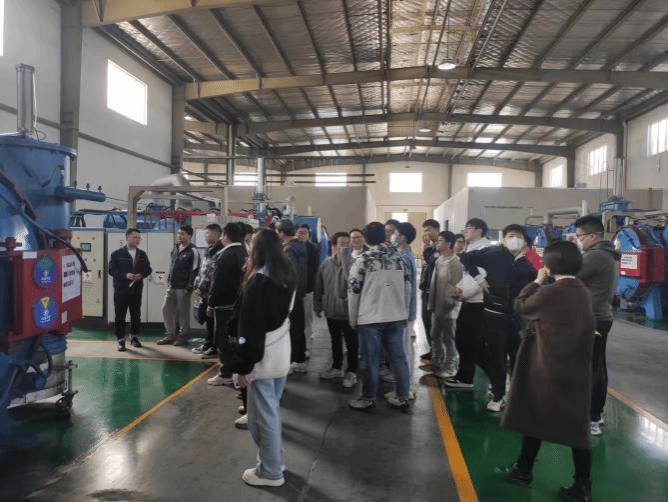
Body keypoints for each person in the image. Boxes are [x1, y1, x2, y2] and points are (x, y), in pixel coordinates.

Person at [499, 240, 596, 502]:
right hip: (576, 370)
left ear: (549, 266)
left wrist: (536, 282)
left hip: (547, 368)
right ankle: (582, 486)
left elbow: (521, 306)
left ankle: (523, 471)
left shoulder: (551, 292)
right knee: (577, 429)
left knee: (534, 415)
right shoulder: (583, 292)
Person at [231, 228, 297, 487]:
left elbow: (251, 327)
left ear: (257, 249)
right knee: (271, 412)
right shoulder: (287, 275)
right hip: (281, 351)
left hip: (261, 356)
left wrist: (243, 365)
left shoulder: (258, 281)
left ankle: (270, 472)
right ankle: (274, 461)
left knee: (261, 418)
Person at [459, 224, 537, 411]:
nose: (514, 239)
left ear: (524, 241)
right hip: (494, 315)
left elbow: (539, 280)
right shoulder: (493, 254)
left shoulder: (529, 261)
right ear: (503, 239)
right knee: (497, 357)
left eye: (518, 236)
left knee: (518, 357)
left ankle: (518, 395)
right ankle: (498, 394)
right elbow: (465, 257)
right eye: (510, 236)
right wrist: (479, 279)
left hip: (518, 318)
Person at [347, 222, 411, 410]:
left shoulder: (362, 260)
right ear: (384, 236)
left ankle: (368, 398)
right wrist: (404, 312)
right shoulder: (399, 258)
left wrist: (353, 319)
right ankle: (402, 396)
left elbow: (353, 291)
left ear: (365, 239)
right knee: (398, 358)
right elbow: (407, 287)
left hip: (370, 318)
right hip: (396, 316)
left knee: (370, 361)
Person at [574, 215, 620, 436]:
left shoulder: (595, 256)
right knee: (596, 366)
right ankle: (595, 414)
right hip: (600, 317)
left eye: (580, 236)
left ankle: (591, 417)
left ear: (592, 236)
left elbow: (567, 276)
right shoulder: (605, 255)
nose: (578, 240)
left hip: (592, 319)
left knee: (592, 368)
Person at [314, 232, 358, 388]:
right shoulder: (325, 264)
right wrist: (318, 305)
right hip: (331, 311)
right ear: (334, 246)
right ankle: (337, 368)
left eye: (348, 244)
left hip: (349, 312)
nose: (346, 247)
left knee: (352, 343)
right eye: (342, 244)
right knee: (335, 340)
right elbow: (318, 287)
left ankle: (352, 372)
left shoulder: (355, 264)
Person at [207, 222, 248, 385]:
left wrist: (211, 303)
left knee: (222, 340)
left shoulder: (225, 255)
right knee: (234, 339)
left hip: (224, 304)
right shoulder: (244, 251)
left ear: (226, 237)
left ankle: (225, 373)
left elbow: (218, 283)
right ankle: (235, 372)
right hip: (239, 303)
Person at [386, 222, 418, 400]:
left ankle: (406, 390)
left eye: (394, 233)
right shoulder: (402, 254)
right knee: (403, 350)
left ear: (402, 237)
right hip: (403, 311)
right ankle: (404, 387)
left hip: (403, 312)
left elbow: (406, 288)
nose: (391, 236)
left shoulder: (404, 257)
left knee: (404, 351)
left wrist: (403, 314)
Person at [425, 231, 463, 378]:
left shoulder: (455, 263)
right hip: (437, 306)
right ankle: (436, 363)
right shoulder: (440, 260)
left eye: (440, 240)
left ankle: (450, 366)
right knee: (434, 335)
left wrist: (449, 305)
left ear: (448, 244)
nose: (437, 243)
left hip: (449, 308)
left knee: (449, 339)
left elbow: (456, 287)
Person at [108, 228, 152, 352]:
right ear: (127, 238)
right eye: (134, 237)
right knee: (120, 315)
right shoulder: (117, 254)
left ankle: (134, 337)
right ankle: (120, 340)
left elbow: (148, 269)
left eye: (138, 238)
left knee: (136, 314)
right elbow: (111, 270)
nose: (137, 240)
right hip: (121, 289)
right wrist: (125, 275)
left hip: (136, 289)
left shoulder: (142, 254)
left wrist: (141, 275)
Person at [158, 225, 200, 346]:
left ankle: (183, 336)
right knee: (166, 308)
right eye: (178, 233)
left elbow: (195, 270)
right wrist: (169, 280)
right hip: (172, 285)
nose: (179, 236)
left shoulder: (193, 251)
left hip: (184, 287)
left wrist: (190, 286)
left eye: (182, 234)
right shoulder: (175, 248)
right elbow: (172, 265)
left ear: (189, 236)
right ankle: (170, 334)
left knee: (183, 312)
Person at [277, 219, 308, 373]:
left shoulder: (288, 249)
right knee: (298, 326)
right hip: (299, 292)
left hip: (291, 294)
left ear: (282, 233)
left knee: (291, 329)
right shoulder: (300, 246)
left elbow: (289, 274)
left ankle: (290, 361)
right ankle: (300, 359)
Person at [192, 223, 224, 359]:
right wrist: (197, 285)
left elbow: (211, 273)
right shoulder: (209, 249)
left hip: (212, 291)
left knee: (212, 321)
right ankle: (208, 343)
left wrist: (201, 286)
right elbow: (202, 270)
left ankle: (214, 346)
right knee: (207, 320)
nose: (205, 236)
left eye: (207, 233)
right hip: (204, 290)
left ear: (217, 235)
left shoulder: (219, 251)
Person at [297, 223, 319, 357]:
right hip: (294, 291)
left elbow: (313, 271)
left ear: (309, 235)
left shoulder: (312, 249)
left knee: (307, 320)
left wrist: (308, 288)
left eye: (304, 233)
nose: (301, 235)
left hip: (307, 291)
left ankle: (307, 348)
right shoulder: (292, 247)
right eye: (299, 232)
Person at [419, 219, 440, 360]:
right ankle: (431, 350)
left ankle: (438, 354)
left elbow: (433, 263)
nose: (426, 233)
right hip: (426, 290)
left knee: (435, 324)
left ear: (436, 229)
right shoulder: (431, 247)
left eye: (428, 230)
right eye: (425, 231)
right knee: (426, 320)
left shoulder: (440, 246)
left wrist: (426, 248)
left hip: (436, 292)